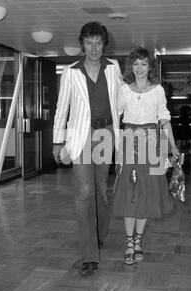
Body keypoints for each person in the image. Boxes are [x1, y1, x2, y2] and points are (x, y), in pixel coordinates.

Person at [53, 21, 122, 276]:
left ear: (104, 45)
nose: (94, 48)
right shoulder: (71, 72)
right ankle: (89, 254)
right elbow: (62, 109)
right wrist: (57, 141)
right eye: (89, 42)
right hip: (81, 137)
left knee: (101, 192)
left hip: (105, 135)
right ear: (82, 44)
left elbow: (120, 101)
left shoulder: (113, 68)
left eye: (98, 42)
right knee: (84, 192)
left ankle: (99, 234)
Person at [112, 47, 179, 265]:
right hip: (129, 144)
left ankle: (138, 241)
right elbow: (116, 118)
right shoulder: (123, 90)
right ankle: (129, 243)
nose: (139, 68)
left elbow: (164, 119)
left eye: (143, 64)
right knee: (130, 195)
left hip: (152, 145)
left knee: (147, 195)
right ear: (131, 67)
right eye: (136, 64)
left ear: (150, 67)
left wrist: (173, 146)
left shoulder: (158, 90)